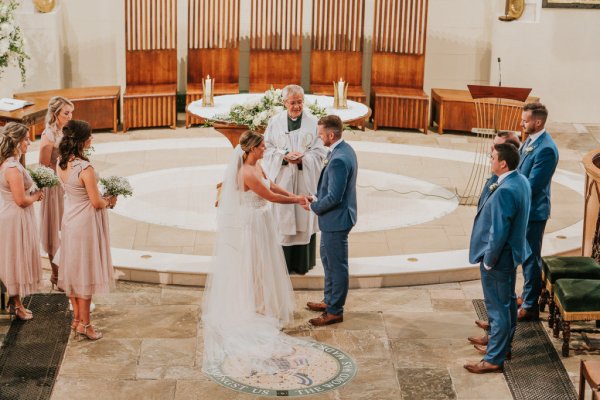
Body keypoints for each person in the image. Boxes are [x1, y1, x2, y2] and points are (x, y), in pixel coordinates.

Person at [202, 131, 309, 377]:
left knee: (265, 266)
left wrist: (295, 196)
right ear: (252, 149)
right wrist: (297, 201)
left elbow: (272, 185)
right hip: (252, 226)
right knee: (255, 267)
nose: (264, 149)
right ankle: (254, 308)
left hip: (263, 222)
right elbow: (269, 196)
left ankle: (262, 305)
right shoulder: (246, 173)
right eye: (261, 147)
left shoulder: (257, 165)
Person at [464, 143, 530, 374]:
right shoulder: (520, 181)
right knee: (508, 302)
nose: (490, 160)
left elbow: (499, 231)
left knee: (497, 309)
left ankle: (494, 359)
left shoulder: (505, 190)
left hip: (499, 258)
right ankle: (502, 347)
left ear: (503, 163)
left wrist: (489, 260)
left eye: (492, 157)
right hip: (511, 254)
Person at [56, 120, 116, 341]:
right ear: (82, 141)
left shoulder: (61, 163)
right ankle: (86, 325)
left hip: (70, 221)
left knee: (73, 271)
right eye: (90, 135)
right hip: (85, 225)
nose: (92, 139)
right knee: (86, 273)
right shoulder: (85, 168)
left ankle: (77, 321)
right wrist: (110, 200)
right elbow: (96, 202)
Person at [262, 84, 327, 274]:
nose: (297, 106)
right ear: (284, 102)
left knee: (303, 216)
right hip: (283, 178)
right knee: (283, 217)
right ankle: (282, 264)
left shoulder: (313, 122)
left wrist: (304, 159)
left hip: (304, 177)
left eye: (300, 102)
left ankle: (302, 262)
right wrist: (282, 155)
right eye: (293, 102)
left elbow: (320, 150)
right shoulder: (275, 122)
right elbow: (266, 147)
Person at [303, 115, 357, 326]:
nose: (319, 138)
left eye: (321, 134)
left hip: (337, 220)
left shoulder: (339, 160)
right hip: (335, 219)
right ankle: (329, 300)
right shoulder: (344, 150)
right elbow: (331, 189)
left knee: (336, 266)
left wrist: (314, 206)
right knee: (328, 261)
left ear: (331, 135)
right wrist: (316, 197)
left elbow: (335, 197)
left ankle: (335, 311)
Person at [516, 103, 559, 321]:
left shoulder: (547, 149)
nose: (522, 124)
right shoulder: (531, 140)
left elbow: (533, 185)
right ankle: (526, 295)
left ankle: (530, 305)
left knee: (531, 257)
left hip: (533, 211)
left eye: (525, 121)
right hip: (525, 209)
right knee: (525, 256)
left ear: (538, 122)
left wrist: (510, 193)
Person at [0, 122, 44, 320]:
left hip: (14, 216)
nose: (30, 142)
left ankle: (14, 301)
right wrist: (37, 196)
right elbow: (21, 200)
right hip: (15, 219)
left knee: (15, 258)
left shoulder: (10, 163)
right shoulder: (12, 168)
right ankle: (16, 305)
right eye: (26, 138)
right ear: (16, 142)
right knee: (16, 260)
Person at [38, 96, 74, 290]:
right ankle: (56, 274)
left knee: (67, 227)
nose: (70, 116)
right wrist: (61, 162)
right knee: (55, 229)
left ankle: (65, 271)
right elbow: (43, 167)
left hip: (67, 184)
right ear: (55, 114)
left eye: (71, 112)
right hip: (54, 188)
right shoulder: (48, 136)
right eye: (66, 113)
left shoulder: (66, 130)